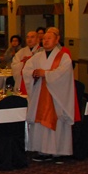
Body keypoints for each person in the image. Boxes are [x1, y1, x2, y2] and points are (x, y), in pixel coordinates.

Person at [23, 29, 76, 163]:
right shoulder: (38, 56)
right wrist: (34, 73)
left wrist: (45, 73)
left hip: (57, 96)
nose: (46, 41)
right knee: (41, 122)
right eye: (44, 39)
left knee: (58, 121)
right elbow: (27, 70)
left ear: (57, 40)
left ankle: (60, 152)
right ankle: (43, 151)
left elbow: (64, 74)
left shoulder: (63, 57)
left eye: (49, 38)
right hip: (40, 94)